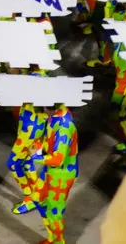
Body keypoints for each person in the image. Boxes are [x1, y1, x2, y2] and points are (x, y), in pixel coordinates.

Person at [37, 104, 78, 244]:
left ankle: (58, 242)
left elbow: (58, 159)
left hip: (61, 175)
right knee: (41, 201)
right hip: (52, 171)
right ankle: (53, 238)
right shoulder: (57, 114)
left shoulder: (64, 127)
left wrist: (34, 156)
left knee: (54, 213)